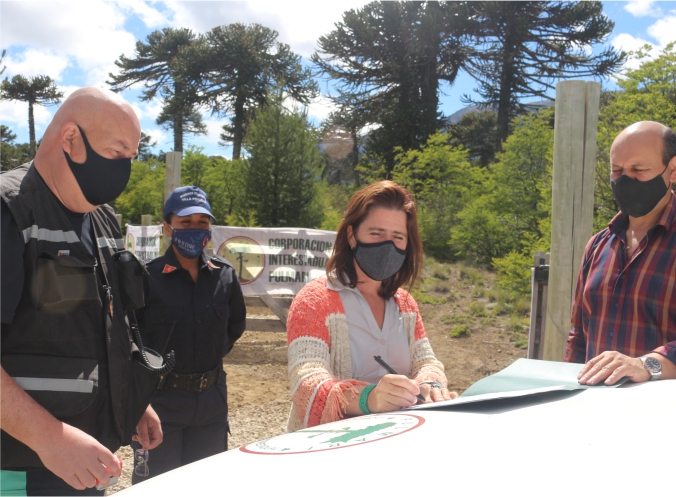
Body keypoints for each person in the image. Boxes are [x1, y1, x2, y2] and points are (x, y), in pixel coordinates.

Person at [1, 87, 162, 495]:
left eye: (132, 157)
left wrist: (131, 401)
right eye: (116, 153)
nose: (124, 169)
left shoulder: (104, 221)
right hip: (21, 470)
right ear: (70, 139)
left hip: (84, 467)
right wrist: (50, 438)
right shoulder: (10, 211)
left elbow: (104, 325)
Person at [286, 181, 457, 432]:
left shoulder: (406, 304)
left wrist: (429, 385)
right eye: (376, 233)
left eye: (397, 237)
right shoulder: (314, 300)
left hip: (395, 442)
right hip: (328, 450)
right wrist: (370, 398)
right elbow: (306, 384)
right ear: (352, 235)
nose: (387, 246)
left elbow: (427, 362)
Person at [565, 121, 676, 385]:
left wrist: (647, 364)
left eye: (638, 169)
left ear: (673, 170)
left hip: (667, 415)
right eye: (617, 170)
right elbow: (579, 335)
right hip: (591, 410)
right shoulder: (598, 245)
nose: (626, 180)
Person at [131, 186, 246, 483]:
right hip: (160, 404)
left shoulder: (225, 276)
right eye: (186, 222)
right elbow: (128, 341)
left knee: (206, 485)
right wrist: (139, 403)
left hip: (211, 403)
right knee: (157, 487)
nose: (195, 229)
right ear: (168, 228)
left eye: (202, 222)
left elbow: (234, 328)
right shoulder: (146, 278)